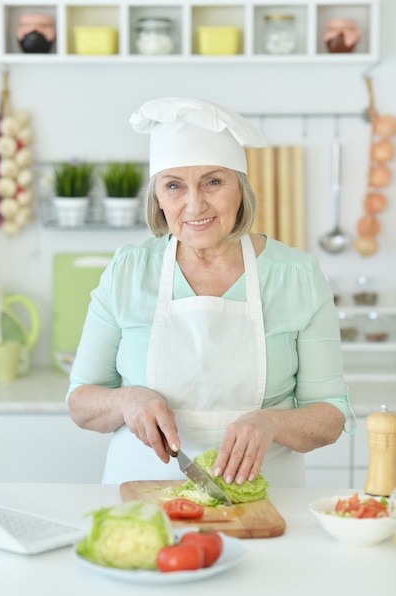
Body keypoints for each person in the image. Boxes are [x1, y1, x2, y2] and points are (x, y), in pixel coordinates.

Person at [67, 96, 351, 488]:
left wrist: (270, 422)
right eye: (174, 186)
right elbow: (80, 401)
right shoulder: (128, 272)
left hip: (265, 500)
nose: (194, 204)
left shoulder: (296, 276)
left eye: (213, 182)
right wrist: (125, 400)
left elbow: (331, 415)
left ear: (240, 189)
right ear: (159, 199)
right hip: (142, 495)